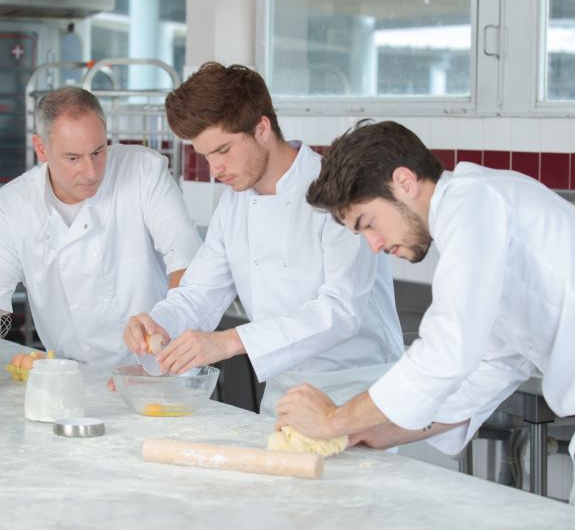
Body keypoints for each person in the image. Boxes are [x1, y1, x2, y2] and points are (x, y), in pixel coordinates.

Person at [277, 119, 575, 521]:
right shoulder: (481, 216)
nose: (373, 245)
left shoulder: (472, 202)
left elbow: (446, 352)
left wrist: (333, 419)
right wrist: (376, 429)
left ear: (405, 181)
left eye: (368, 223)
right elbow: (489, 369)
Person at [123, 63, 404, 415]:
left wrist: (230, 341)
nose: (215, 170)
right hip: (286, 396)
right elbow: (198, 295)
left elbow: (339, 312)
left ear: (261, 128)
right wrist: (157, 322)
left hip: (359, 392)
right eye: (205, 155)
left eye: (223, 150)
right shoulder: (234, 204)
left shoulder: (337, 191)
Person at [0, 87, 202, 390]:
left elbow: (188, 268)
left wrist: (157, 356)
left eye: (98, 151)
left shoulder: (143, 172)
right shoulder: (10, 207)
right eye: (73, 157)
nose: (91, 171)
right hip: (68, 380)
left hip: (160, 371)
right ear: (41, 149)